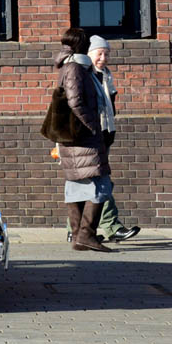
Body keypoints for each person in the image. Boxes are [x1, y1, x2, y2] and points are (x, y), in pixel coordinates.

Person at [54, 27, 115, 252]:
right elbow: (75, 102)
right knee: (100, 185)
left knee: (79, 186)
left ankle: (80, 235)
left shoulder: (77, 66)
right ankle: (86, 234)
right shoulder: (75, 68)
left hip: (78, 138)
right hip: (82, 138)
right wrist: (92, 126)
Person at [88, 35, 141, 243]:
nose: (103, 57)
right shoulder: (86, 76)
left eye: (106, 53)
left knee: (89, 183)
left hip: (105, 135)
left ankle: (76, 228)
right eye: (99, 53)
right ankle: (112, 226)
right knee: (101, 183)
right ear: (88, 54)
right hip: (92, 137)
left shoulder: (105, 75)